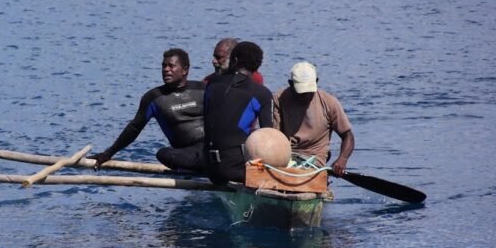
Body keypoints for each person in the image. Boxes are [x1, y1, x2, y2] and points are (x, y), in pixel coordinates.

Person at [90, 48, 206, 173]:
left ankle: (213, 165)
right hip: (187, 153)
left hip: (213, 147)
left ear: (185, 70)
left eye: (171, 66)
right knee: (163, 154)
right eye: (164, 66)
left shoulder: (203, 89)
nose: (166, 69)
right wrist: (108, 153)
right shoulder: (153, 97)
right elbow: (134, 128)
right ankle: (206, 167)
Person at [203, 41, 273, 184]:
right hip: (235, 170)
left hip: (209, 168)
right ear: (258, 65)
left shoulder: (211, 83)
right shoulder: (262, 94)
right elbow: (268, 138)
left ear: (234, 60)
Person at [272, 61, 354, 176]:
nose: (306, 96)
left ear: (316, 82)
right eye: (301, 92)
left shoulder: (329, 102)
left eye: (309, 92)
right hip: (286, 156)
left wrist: (342, 160)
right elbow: (274, 136)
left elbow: (348, 136)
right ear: (291, 84)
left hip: (315, 160)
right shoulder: (279, 98)